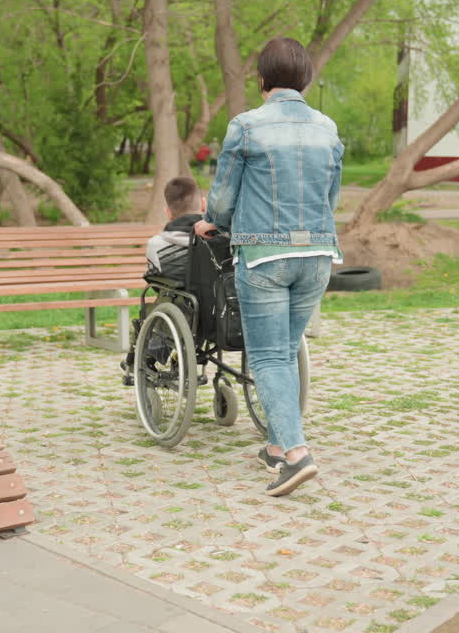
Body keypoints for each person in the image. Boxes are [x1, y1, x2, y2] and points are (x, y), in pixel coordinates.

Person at [194, 37, 343, 497]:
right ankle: (277, 446)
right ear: (307, 80)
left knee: (271, 355)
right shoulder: (328, 128)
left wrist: (211, 223)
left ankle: (297, 456)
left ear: (261, 80)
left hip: (264, 255)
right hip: (318, 256)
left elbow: (222, 196)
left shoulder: (246, 125)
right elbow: (331, 196)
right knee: (287, 346)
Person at [122, 176, 206, 384]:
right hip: (219, 315)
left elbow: (156, 280)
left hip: (181, 314)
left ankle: (141, 359)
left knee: (156, 303)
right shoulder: (221, 239)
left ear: (168, 213)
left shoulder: (156, 244)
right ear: (203, 204)